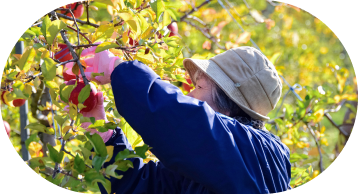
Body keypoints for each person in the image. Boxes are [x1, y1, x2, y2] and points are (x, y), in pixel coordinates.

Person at [68, 45, 292, 193]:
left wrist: (119, 70)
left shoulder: (261, 155)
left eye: (200, 87)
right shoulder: (204, 172)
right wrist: (100, 131)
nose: (190, 94)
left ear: (229, 106)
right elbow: (139, 187)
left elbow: (187, 123)